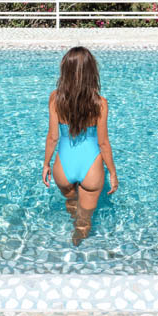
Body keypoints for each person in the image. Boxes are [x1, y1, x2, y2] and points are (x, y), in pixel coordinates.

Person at [42, 46, 118, 245]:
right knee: (84, 220)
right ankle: (78, 241)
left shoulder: (55, 98)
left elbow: (53, 137)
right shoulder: (100, 103)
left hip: (63, 167)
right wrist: (112, 172)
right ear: (92, 72)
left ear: (65, 71)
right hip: (91, 167)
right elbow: (103, 143)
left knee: (72, 202)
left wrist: (46, 164)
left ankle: (67, 241)